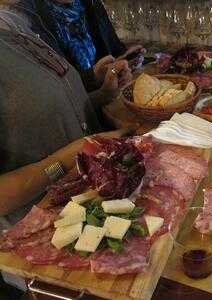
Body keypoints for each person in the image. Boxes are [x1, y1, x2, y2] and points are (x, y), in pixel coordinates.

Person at [0, 6, 132, 222]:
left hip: (96, 198)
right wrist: (70, 156)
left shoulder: (16, 19)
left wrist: (101, 93)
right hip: (51, 225)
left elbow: (38, 114)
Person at [13, 0, 144, 91]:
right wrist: (92, 78)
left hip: (110, 103)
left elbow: (113, 51)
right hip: (80, 118)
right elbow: (49, 90)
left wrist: (125, 58)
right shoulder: (25, 16)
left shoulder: (91, 3)